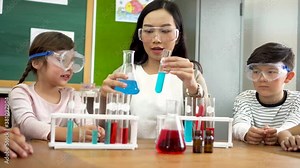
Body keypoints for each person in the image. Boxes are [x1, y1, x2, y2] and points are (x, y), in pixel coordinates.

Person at [101, 0, 208, 139]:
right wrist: (103, 97)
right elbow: (104, 129)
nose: (156, 39)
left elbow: (203, 129)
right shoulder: (127, 74)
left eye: (165, 31)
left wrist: (193, 88)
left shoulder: (191, 75)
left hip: (176, 154)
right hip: (131, 156)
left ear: (178, 35)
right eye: (149, 31)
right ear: (140, 35)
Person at [9, 32, 105, 142]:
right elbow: (28, 125)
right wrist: (70, 133)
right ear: (36, 63)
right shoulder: (21, 92)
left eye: (72, 61)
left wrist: (94, 130)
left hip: (57, 157)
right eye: (63, 60)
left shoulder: (71, 95)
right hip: (27, 156)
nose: (69, 68)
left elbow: (86, 122)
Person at [233, 42, 300, 145]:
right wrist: (247, 133)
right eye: (256, 72)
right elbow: (238, 124)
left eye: (271, 72)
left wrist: (276, 134)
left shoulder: (297, 100)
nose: (262, 78)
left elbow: (292, 127)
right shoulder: (245, 97)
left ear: (288, 77)